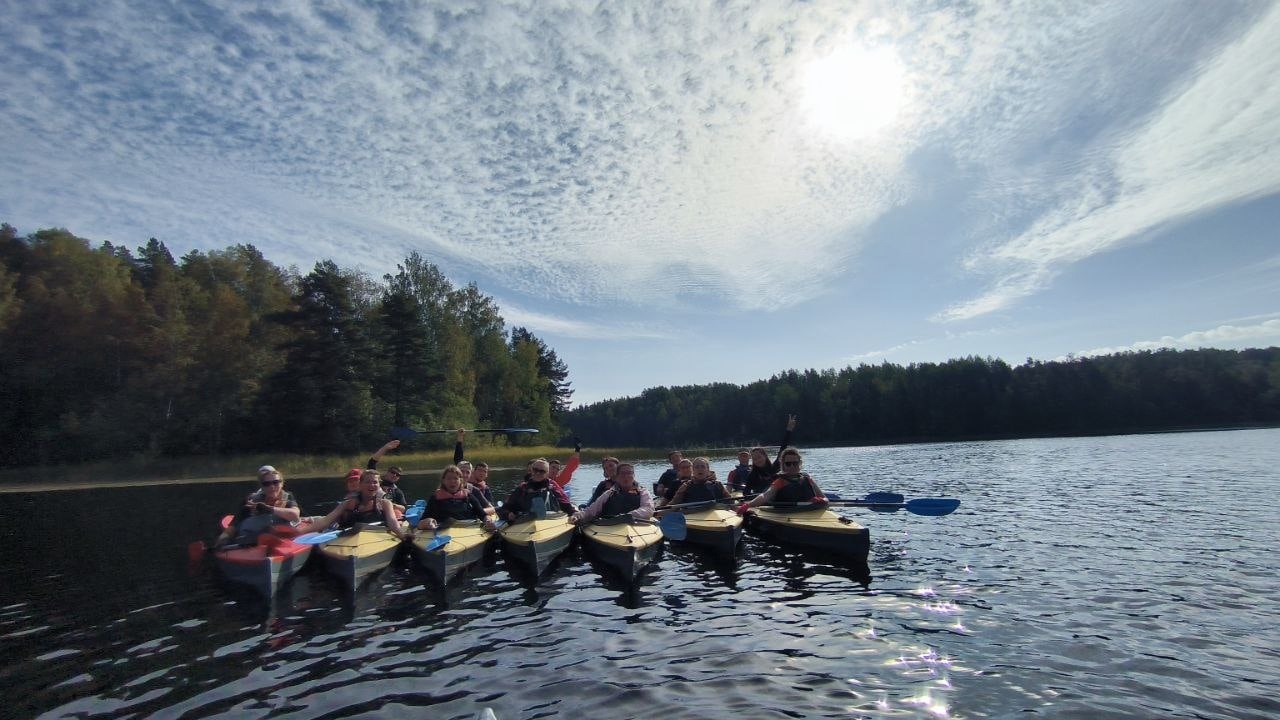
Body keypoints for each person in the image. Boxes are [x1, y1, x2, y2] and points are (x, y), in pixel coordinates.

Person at [304, 469, 409, 539]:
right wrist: (299, 532)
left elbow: (392, 523)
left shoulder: (385, 503)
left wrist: (402, 535)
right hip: (348, 539)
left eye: (375, 482)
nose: (372, 485)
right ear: (361, 484)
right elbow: (325, 521)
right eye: (367, 482)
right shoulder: (347, 503)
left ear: (378, 484)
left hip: (375, 539)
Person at [214, 468, 302, 548]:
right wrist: (224, 537)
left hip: (279, 538)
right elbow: (235, 523)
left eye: (275, 482)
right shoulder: (251, 501)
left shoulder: (288, 496)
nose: (272, 487)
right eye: (266, 484)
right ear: (262, 486)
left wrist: (268, 509)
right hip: (251, 539)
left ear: (282, 483)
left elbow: (295, 515)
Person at [737, 447, 827, 514]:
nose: (792, 466)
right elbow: (765, 496)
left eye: (795, 463)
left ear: (800, 463)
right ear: (783, 465)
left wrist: (823, 500)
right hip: (786, 513)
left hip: (811, 511)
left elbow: (825, 498)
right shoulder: (780, 481)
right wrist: (748, 505)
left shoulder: (808, 479)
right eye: (788, 464)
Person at [416, 464, 497, 532]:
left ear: (460, 481)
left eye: (455, 478)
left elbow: (482, 515)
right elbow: (420, 524)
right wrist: (427, 522)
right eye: (449, 478)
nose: (452, 481)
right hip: (443, 530)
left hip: (468, 530)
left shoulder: (468, 495)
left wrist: (488, 521)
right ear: (443, 481)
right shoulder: (435, 497)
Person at [570, 463, 654, 524]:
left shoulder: (643, 492)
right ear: (617, 477)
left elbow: (648, 509)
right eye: (622, 473)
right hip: (612, 527)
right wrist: (578, 516)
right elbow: (591, 511)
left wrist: (628, 516)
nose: (626, 477)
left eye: (629, 473)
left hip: (637, 527)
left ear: (634, 475)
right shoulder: (608, 493)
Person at [501, 459, 575, 522]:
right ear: (531, 471)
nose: (538, 473)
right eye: (535, 470)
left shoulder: (553, 486)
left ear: (547, 473)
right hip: (525, 522)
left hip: (550, 521)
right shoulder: (522, 488)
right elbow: (504, 508)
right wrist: (508, 514)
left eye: (542, 471)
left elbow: (565, 503)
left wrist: (573, 514)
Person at [741, 414, 799, 494]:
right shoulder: (752, 475)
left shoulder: (775, 467)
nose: (757, 460)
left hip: (779, 498)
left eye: (759, 457)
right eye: (755, 459)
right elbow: (745, 493)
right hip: (763, 502)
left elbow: (783, 449)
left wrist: (788, 430)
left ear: (765, 456)